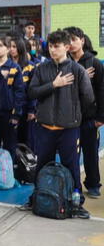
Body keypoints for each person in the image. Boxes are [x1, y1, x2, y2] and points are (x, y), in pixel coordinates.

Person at [24, 30, 94, 218]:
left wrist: (73, 115)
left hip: (68, 129)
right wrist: (54, 85)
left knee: (71, 167)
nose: (53, 50)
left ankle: (76, 202)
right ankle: (37, 198)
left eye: (57, 46)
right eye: (51, 46)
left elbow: (88, 98)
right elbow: (32, 92)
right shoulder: (41, 69)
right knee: (42, 165)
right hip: (45, 128)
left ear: (67, 47)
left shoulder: (77, 70)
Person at [65, 27, 104, 198]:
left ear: (82, 40)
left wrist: (100, 117)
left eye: (74, 39)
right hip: (68, 117)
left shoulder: (94, 63)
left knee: (90, 152)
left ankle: (93, 183)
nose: (71, 44)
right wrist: (81, 77)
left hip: (89, 117)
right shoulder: (63, 63)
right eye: (68, 41)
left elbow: (102, 90)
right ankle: (71, 184)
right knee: (70, 153)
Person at [0, 35, 26, 160]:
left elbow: (19, 92)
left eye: (1, 45)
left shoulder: (14, 68)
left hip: (8, 113)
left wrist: (16, 114)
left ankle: (10, 175)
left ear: (8, 49)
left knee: (10, 146)